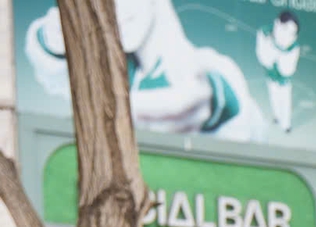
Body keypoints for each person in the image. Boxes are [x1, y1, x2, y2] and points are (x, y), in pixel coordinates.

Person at [27, 0, 268, 141]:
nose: (117, 10)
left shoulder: (210, 67)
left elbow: (242, 119)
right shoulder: (111, 73)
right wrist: (53, 36)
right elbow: (54, 71)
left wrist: (215, 104)